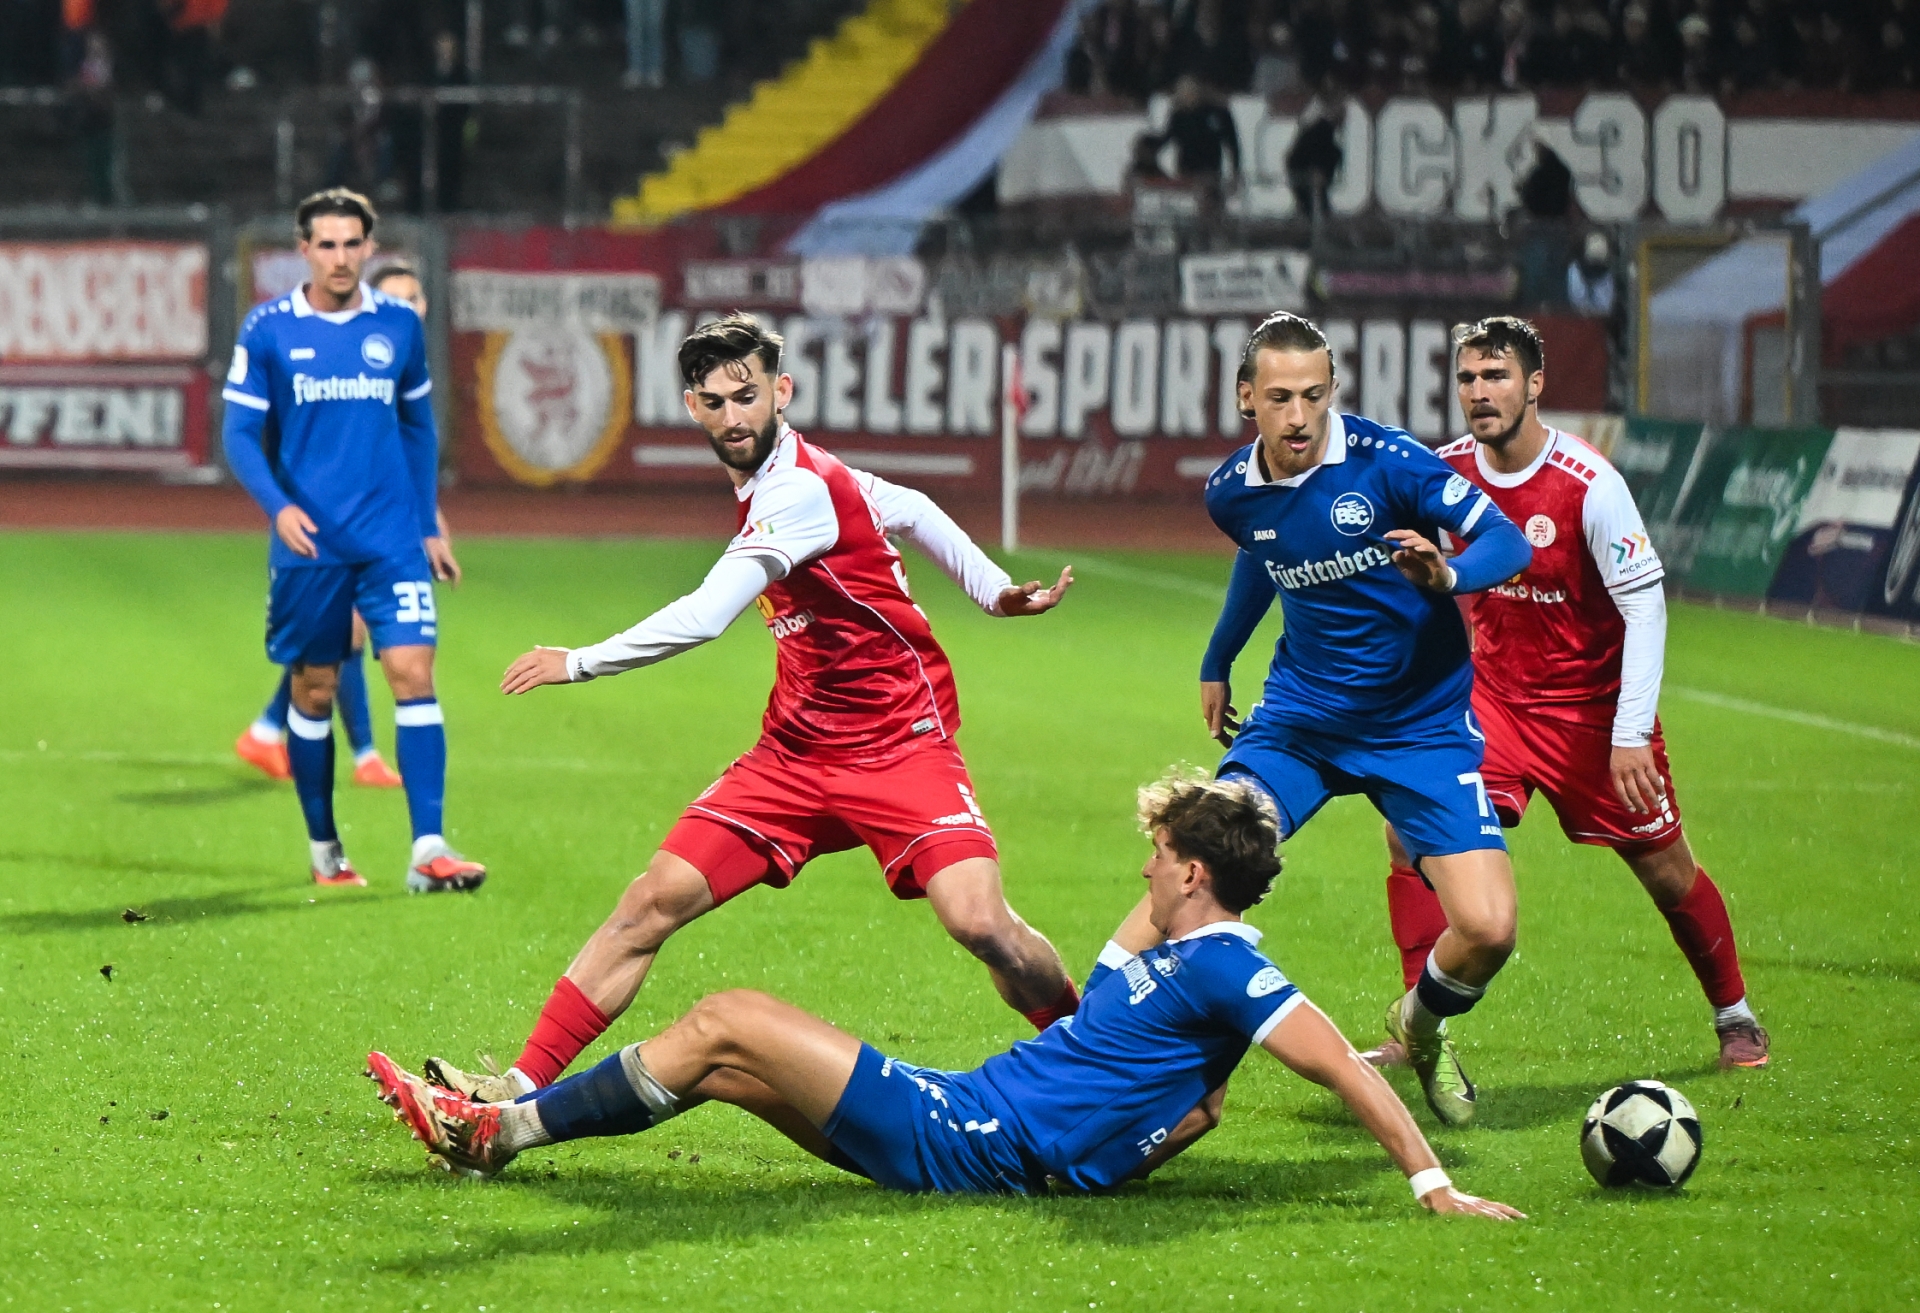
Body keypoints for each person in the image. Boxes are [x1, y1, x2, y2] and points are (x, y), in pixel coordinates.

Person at [419, 313, 1082, 1104]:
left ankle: (1099, 1054)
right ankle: (515, 1087)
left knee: (981, 923)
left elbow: (707, 614)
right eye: (715, 401)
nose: (734, 416)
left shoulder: (798, 491)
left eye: (747, 395)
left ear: (782, 391)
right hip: (795, 754)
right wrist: (990, 587)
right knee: (651, 900)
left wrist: (579, 660)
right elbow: (907, 505)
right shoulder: (800, 479)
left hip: (900, 745)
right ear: (692, 407)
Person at [366, 773, 1524, 1220]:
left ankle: (498, 1129)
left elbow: (1332, 1059)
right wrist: (1141, 1142)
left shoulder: (1227, 963)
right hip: (980, 1119)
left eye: (1158, 854)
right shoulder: (1167, 956)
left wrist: (1432, 1184)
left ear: (1189, 873)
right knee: (720, 1062)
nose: (1143, 867)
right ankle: (501, 1132)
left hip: (976, 1136)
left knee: (728, 1014)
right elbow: (1198, 1102)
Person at [1362, 317, 1769, 1071]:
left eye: (1497, 376)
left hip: (1594, 715)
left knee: (1666, 871)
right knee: (1407, 833)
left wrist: (1630, 734)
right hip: (1493, 701)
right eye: (1468, 378)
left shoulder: (1589, 483)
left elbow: (1645, 606)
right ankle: (1417, 1026)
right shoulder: (1445, 472)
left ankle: (1735, 1016)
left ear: (1535, 384)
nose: (1479, 392)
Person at [1180, 312, 1533, 1128]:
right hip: (1301, 722)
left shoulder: (1389, 462)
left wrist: (1449, 576)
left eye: (1314, 395)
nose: (1299, 415)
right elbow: (1264, 553)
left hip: (1419, 728)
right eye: (1280, 397)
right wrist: (1218, 657)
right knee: (1203, 858)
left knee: (1488, 928)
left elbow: (1507, 540)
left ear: (1333, 390)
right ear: (1246, 398)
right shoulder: (1230, 492)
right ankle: (1134, 1060)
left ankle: (1419, 1025)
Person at [222, 188, 484, 893]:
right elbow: (239, 433)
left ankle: (429, 849)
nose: (340, 257)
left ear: (369, 248)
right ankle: (325, 850)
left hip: (390, 540)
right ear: (304, 250)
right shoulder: (268, 328)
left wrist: (426, 525)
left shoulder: (397, 325)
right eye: (327, 244)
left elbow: (419, 428)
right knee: (314, 689)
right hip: (310, 546)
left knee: (413, 674)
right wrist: (278, 508)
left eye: (352, 244)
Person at [235, 257, 435, 791]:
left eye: (415, 297)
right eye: (397, 297)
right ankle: (357, 751)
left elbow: (408, 447)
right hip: (333, 523)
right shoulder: (348, 354)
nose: (408, 307)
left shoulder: (401, 359)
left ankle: (270, 730)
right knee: (343, 634)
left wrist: (425, 517)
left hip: (380, 525)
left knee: (340, 637)